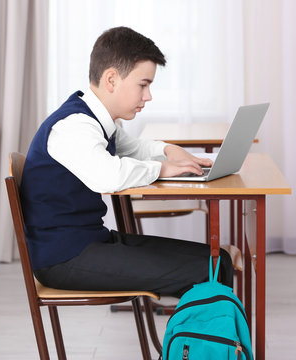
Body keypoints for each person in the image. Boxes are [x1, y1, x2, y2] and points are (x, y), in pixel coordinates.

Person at [20, 26, 215, 298]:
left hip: (88, 242)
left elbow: (133, 149)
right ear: (111, 79)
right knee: (211, 270)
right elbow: (108, 176)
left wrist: (169, 150)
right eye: (143, 85)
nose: (148, 96)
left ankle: (204, 339)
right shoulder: (74, 126)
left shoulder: (97, 120)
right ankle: (196, 340)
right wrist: (161, 168)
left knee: (216, 261)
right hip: (65, 257)